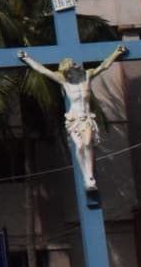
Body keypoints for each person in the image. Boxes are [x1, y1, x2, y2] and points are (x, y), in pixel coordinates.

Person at [18, 43, 128, 193]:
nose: (70, 73)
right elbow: (43, 71)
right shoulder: (64, 81)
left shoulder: (87, 76)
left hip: (87, 118)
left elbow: (104, 66)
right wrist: (27, 59)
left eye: (72, 70)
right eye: (67, 71)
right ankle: (85, 175)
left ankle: (89, 177)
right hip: (74, 120)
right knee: (80, 147)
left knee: (88, 143)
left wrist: (116, 53)